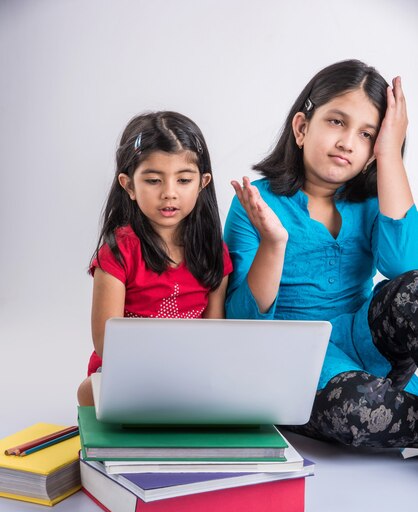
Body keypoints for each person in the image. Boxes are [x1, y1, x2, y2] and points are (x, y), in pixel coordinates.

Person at [224, 59, 418, 448]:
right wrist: (273, 244)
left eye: (367, 134)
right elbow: (242, 322)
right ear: (301, 128)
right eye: (336, 122)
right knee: (359, 408)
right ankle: (389, 409)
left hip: (363, 341)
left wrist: (391, 156)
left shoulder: (369, 201)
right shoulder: (256, 203)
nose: (348, 141)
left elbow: (405, 270)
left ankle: (391, 401)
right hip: (297, 362)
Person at [78, 111, 232, 406]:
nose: (169, 193)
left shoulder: (213, 250)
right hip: (129, 370)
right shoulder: (118, 252)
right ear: (129, 185)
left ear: (202, 182)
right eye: (153, 180)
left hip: (189, 370)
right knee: (89, 390)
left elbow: (215, 335)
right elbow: (106, 344)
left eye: (184, 180)